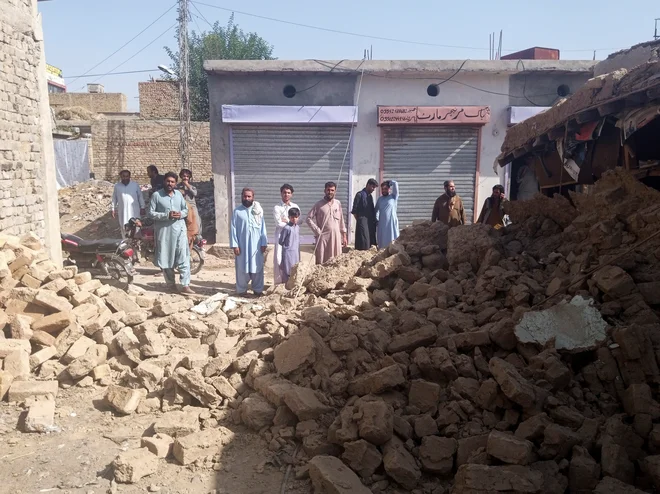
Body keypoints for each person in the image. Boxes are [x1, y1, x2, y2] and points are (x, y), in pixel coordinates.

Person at [148, 172, 194, 294]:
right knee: (166, 258)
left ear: (175, 183)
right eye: (168, 181)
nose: (170, 184)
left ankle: (185, 285)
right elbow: (151, 213)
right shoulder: (156, 196)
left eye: (172, 182)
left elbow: (185, 209)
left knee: (184, 257)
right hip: (165, 233)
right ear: (164, 182)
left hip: (180, 230)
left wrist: (181, 214)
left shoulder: (179, 194)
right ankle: (171, 284)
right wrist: (166, 215)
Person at [230, 188, 268, 296]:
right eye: (245, 196)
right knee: (242, 267)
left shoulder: (258, 211)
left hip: (257, 245)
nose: (247, 198)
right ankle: (242, 290)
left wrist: (264, 242)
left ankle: (258, 290)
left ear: (253, 197)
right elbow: (233, 229)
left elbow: (263, 228)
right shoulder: (237, 212)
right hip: (242, 245)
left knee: (258, 266)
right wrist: (235, 245)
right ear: (242, 197)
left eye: (249, 196)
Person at [307, 182, 348, 265]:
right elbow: (308, 218)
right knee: (322, 260)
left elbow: (341, 220)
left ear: (335, 191)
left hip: (336, 237)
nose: (330, 192)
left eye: (332, 190)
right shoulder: (319, 204)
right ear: (324, 191)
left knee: (336, 260)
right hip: (323, 238)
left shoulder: (337, 203)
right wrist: (317, 231)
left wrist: (344, 236)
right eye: (328, 190)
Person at [273, 184, 299, 285]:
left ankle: (292, 282)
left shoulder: (295, 206)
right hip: (281, 236)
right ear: (281, 193)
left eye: (288, 193)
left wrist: (286, 220)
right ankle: (280, 282)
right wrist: (290, 222)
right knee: (280, 259)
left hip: (293, 236)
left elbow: (299, 221)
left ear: (291, 194)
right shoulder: (277, 207)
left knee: (293, 259)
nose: (286, 195)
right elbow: (278, 223)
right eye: (284, 192)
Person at [111, 170, 145, 239]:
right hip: (122, 212)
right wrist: (113, 209)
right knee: (123, 227)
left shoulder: (135, 185)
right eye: (123, 176)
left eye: (127, 176)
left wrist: (142, 207)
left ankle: (136, 245)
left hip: (134, 211)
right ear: (121, 177)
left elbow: (140, 196)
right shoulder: (117, 186)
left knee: (136, 227)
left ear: (129, 176)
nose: (125, 178)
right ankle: (126, 244)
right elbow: (114, 198)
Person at [351, 179, 378, 250]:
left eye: (374, 188)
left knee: (371, 241)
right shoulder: (359, 195)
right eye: (372, 187)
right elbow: (354, 211)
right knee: (364, 241)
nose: (373, 189)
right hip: (362, 220)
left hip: (370, 222)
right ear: (368, 185)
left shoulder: (370, 197)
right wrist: (360, 220)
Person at [278, 207, 301, 285]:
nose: (294, 219)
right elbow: (281, 241)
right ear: (289, 217)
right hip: (288, 252)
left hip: (296, 252)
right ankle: (286, 286)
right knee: (287, 270)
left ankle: (293, 285)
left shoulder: (297, 227)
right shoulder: (287, 228)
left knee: (295, 269)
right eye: (292, 217)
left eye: (296, 217)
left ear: (298, 217)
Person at [375, 179, 400, 249]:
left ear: (389, 189)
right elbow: (376, 210)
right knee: (382, 242)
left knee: (393, 240)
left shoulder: (393, 197)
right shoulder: (380, 199)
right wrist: (376, 220)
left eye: (385, 189)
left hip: (391, 223)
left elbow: (396, 184)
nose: (384, 190)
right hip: (382, 224)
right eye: (382, 189)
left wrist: (391, 182)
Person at [177, 169, 202, 236]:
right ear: (181, 176)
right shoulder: (177, 187)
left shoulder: (192, 187)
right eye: (184, 176)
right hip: (182, 207)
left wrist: (187, 185)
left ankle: (197, 238)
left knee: (196, 221)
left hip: (192, 206)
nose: (186, 178)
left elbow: (195, 193)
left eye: (187, 176)